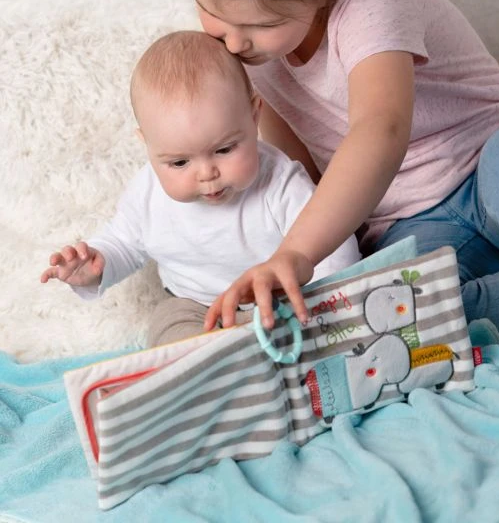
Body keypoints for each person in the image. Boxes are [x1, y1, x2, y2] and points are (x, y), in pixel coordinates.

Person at [196, 0, 499, 344]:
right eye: (214, 14)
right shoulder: (255, 56)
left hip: (492, 170)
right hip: (408, 221)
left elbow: (380, 128)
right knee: (391, 315)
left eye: (264, 25)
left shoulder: (374, 1)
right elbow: (298, 169)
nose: (234, 43)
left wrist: (297, 251)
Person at [40, 30, 360, 347]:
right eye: (180, 162)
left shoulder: (280, 182)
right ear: (148, 145)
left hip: (269, 301)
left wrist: (330, 306)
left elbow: (332, 242)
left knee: (292, 326)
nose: (207, 173)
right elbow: (123, 242)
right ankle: (202, 366)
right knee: (168, 329)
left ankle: (257, 356)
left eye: (224, 149)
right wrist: (96, 264)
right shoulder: (146, 194)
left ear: (253, 116)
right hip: (193, 306)